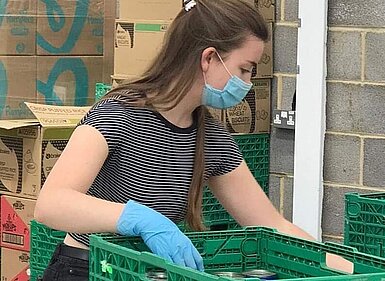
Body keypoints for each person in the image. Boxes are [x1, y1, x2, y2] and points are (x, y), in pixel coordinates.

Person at [34, 0, 319, 280]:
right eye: (244, 69)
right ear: (208, 58)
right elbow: (51, 205)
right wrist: (139, 219)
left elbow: (270, 224)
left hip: (152, 274)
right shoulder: (118, 116)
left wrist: (346, 266)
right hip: (90, 269)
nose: (246, 82)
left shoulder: (211, 139)